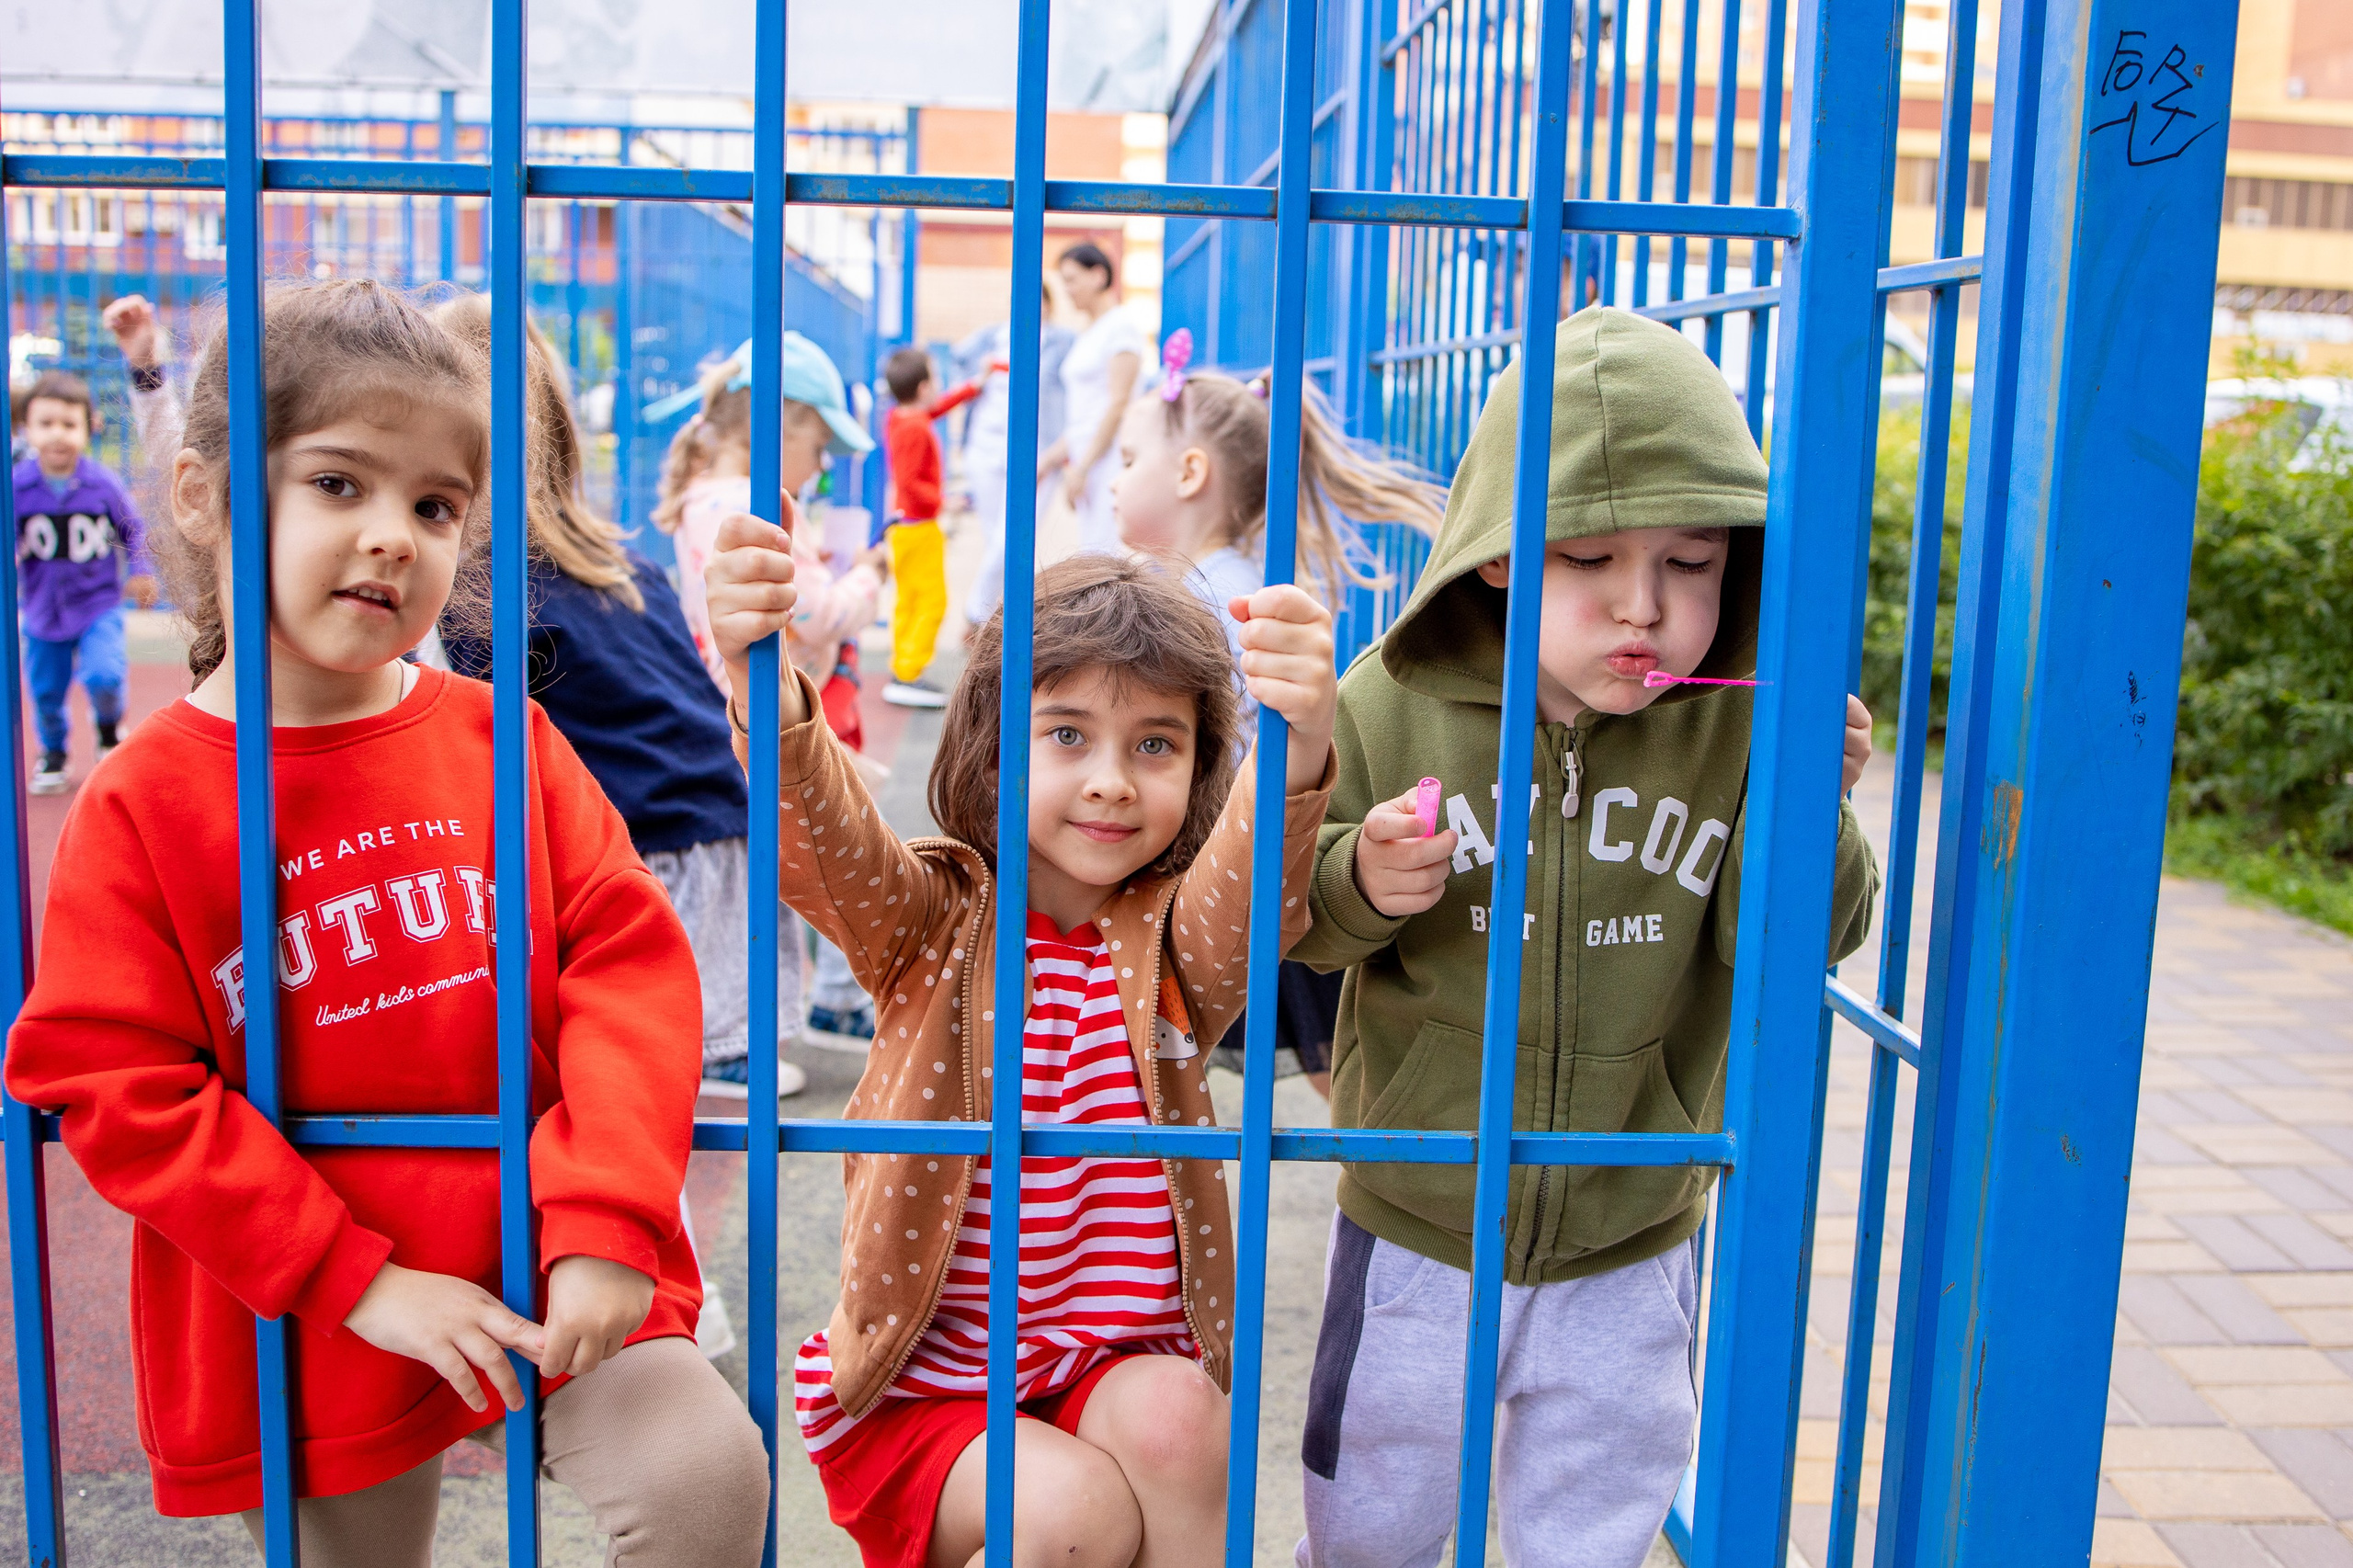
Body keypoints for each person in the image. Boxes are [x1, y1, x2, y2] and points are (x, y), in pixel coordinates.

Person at [4, 278, 769, 1566]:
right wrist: (356, 1280)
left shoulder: (501, 740)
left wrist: (608, 1217)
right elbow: (113, 1082)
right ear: (202, 497)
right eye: (339, 484)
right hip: (309, 1302)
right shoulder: (144, 801)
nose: (394, 535)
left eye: (434, 505)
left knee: (703, 1478)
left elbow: (629, 964)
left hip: (543, 1246)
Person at [1286, 308, 1881, 1568]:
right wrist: (1360, 879)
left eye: (1694, 562)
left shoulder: (1738, 727)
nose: (1646, 609)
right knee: (1368, 1532)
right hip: (1416, 1223)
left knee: (1591, 1535)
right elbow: (1305, 934)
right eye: (1589, 557)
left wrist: (1805, 805)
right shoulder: (1387, 702)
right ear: (1499, 556)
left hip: (1635, 1223)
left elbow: (1811, 937)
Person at [703, 528, 1340, 1568]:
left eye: (1155, 744)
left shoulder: (1177, 946)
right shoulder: (928, 922)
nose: (1111, 781)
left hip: (1105, 1364)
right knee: (1068, 1513)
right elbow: (821, 840)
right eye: (1068, 735)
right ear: (997, 745)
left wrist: (1302, 729)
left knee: (1186, 1419)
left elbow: (1256, 877)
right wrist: (761, 676)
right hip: (927, 1393)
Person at [430, 296, 814, 1108]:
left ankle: (707, 1040)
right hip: (730, 833)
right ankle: (734, 1029)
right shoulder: (622, 567)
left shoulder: (483, 601)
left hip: (657, 867)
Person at [1110, 331, 1449, 1097]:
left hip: (1254, 853)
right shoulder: (1202, 581)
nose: (1115, 479)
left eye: (1130, 461)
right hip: (1240, 853)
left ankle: (1393, 1154)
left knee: (1332, 1057)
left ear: (1191, 472)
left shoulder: (1212, 594)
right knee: (1322, 1052)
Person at [652, 334, 887, 1046]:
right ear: (775, 423)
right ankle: (833, 1004)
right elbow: (813, 612)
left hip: (734, 711)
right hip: (774, 715)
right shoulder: (749, 508)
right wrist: (868, 577)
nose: (821, 465)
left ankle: (826, 1002)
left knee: (803, 856)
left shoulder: (704, 497)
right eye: (816, 444)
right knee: (849, 848)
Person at [11, 369, 157, 794]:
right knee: (46, 691)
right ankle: (53, 751)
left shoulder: (102, 484)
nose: (58, 434)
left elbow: (133, 529)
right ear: (27, 428)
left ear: (90, 427)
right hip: (42, 610)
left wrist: (142, 571)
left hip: (97, 605)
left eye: (69, 424)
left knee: (105, 675)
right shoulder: (18, 487)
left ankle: (109, 727)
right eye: (46, 424)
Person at [954, 287, 1077, 630]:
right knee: (998, 537)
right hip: (986, 445)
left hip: (1037, 450)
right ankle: (1003, 622)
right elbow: (957, 357)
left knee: (1012, 536)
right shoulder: (993, 336)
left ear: (1050, 305)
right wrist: (978, 373)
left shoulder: (1062, 341)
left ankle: (977, 615)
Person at [879, 344, 994, 708]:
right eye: (937, 377)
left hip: (906, 526)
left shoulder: (903, 416)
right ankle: (909, 674)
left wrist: (973, 386)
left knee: (909, 600)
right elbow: (910, 482)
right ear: (924, 387)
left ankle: (903, 667)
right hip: (920, 526)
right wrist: (944, 501)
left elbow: (938, 408)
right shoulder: (915, 427)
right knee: (932, 601)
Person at [1040, 243, 1149, 558]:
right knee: (1095, 552)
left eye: (1071, 279)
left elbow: (1118, 404)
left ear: (1099, 275)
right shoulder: (1092, 332)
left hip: (1110, 460)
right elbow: (1085, 414)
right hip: (1089, 459)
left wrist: (1082, 467)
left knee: (1107, 556)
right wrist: (1052, 459)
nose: (1066, 290)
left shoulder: (1121, 328)